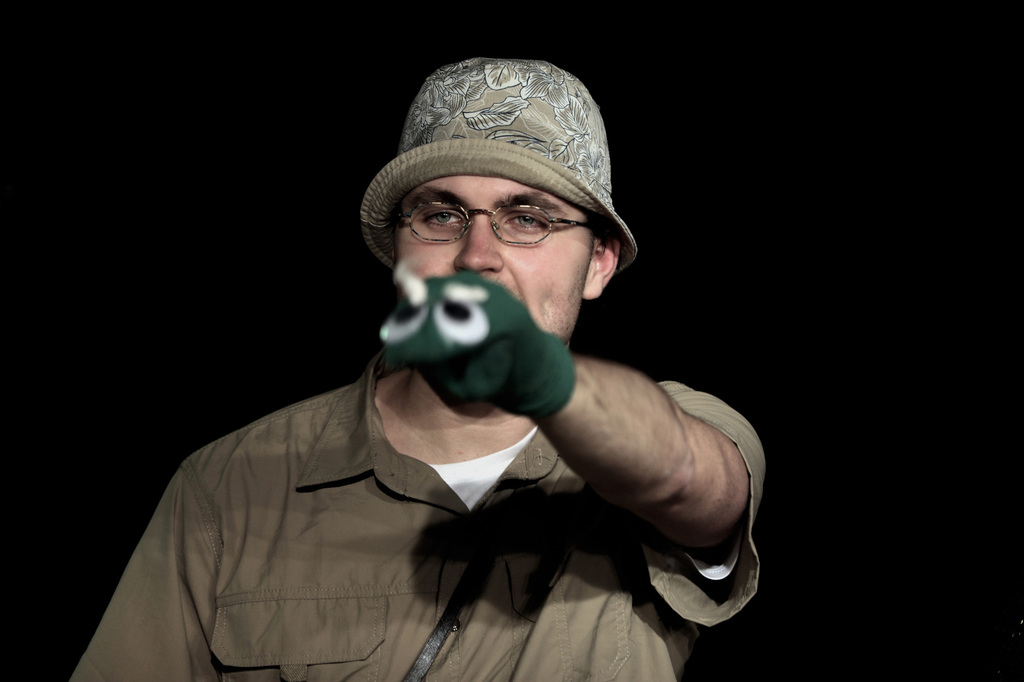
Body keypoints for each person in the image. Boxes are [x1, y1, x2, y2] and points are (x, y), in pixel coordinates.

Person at [71, 57, 765, 681]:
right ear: (399, 250)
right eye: (441, 215)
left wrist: (541, 380)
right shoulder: (227, 484)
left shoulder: (685, 429)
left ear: (599, 262)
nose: (476, 255)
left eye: (528, 218)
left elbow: (685, 480)